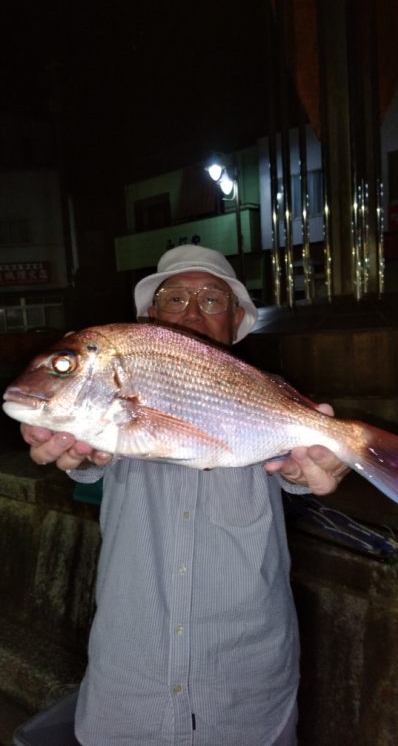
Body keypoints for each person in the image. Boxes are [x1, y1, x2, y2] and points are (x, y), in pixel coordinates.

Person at [21, 245, 348, 746]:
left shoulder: (269, 399)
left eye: (212, 300)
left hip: (247, 688)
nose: (192, 312)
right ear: (151, 318)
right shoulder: (113, 401)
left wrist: (320, 466)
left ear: (237, 320)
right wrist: (79, 453)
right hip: (129, 687)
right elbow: (86, 462)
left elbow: (296, 472)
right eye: (174, 298)